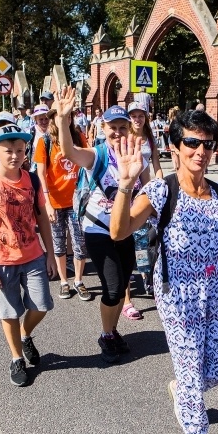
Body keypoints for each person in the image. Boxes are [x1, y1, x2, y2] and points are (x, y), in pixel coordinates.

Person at [110, 109, 218, 434]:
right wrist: (125, 185)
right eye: (191, 142)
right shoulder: (160, 190)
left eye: (207, 143)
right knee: (189, 367)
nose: (200, 150)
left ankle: (184, 389)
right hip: (178, 293)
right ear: (174, 147)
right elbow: (119, 232)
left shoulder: (217, 191)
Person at [55, 88, 151, 364]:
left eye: (123, 127)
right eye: (113, 127)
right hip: (97, 230)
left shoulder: (136, 154)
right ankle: (106, 334)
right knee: (111, 286)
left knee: (122, 283)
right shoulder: (97, 155)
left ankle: (113, 330)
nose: (118, 132)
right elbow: (69, 152)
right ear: (103, 128)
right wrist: (63, 120)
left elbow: (147, 188)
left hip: (126, 227)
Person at [0, 124, 57, 387]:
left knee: (41, 305)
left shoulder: (32, 180)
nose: (15, 155)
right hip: (0, 259)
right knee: (8, 311)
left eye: (20, 150)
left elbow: (42, 220)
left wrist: (51, 254)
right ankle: (16, 356)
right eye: (8, 150)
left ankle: (25, 334)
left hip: (33, 255)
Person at [34, 106, 93, 302]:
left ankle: (78, 280)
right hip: (55, 201)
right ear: (53, 120)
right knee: (58, 244)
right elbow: (41, 174)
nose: (65, 120)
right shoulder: (44, 142)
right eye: (60, 117)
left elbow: (87, 163)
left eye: (68, 117)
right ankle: (63, 282)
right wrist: (47, 203)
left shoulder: (78, 137)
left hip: (77, 200)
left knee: (79, 243)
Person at [126, 101, 163, 306]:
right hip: (131, 192)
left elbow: (156, 164)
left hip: (147, 190)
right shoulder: (126, 138)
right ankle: (132, 278)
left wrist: (161, 185)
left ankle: (146, 277)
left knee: (146, 237)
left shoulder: (149, 137)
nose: (137, 119)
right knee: (133, 235)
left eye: (141, 116)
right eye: (134, 116)